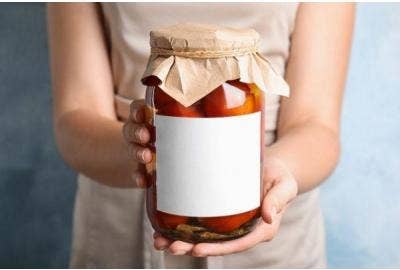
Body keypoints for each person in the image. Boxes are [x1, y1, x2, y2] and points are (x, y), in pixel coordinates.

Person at [47, 3, 354, 268]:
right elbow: (75, 116)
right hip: (119, 227)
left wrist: (275, 171)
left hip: (274, 237)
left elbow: (316, 124)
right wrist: (135, 150)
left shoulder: (243, 93)